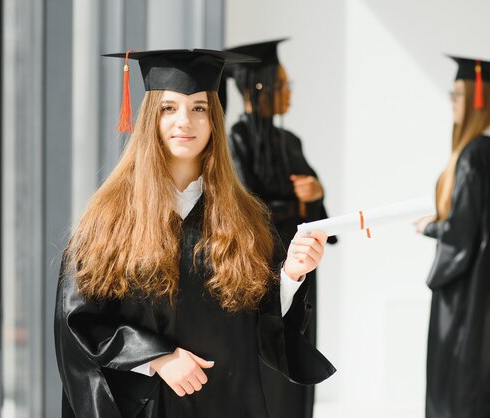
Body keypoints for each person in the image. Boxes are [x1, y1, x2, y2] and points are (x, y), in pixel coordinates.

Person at [54, 49, 336, 418]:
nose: (184, 121)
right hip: (148, 404)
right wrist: (156, 357)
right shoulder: (111, 216)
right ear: (150, 119)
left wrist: (291, 276)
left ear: (214, 120)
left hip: (227, 403)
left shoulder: (246, 218)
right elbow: (78, 324)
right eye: (169, 108)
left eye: (199, 108)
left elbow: (261, 327)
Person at [224, 39, 337, 418]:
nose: (288, 94)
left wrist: (316, 196)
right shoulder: (236, 139)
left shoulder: (290, 141)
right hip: (264, 263)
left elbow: (322, 219)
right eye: (282, 85)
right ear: (260, 87)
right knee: (268, 348)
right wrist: (294, 203)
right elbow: (244, 206)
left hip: (301, 261)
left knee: (298, 342)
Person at [414, 55, 490, 418]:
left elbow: (462, 234)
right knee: (483, 382)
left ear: (479, 99)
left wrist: (429, 226)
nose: (451, 102)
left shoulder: (473, 154)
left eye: (457, 95)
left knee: (456, 386)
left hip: (465, 294)